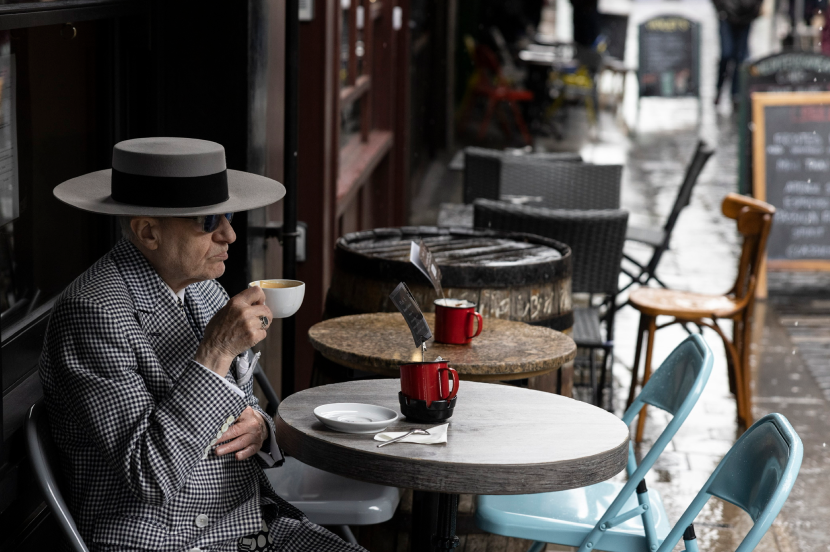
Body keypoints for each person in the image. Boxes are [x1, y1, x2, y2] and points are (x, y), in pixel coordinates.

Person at [40, 137, 365, 552]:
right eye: (208, 222)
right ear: (148, 232)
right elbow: (150, 474)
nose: (230, 234)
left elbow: (240, 410)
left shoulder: (204, 290)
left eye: (228, 214)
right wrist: (215, 353)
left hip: (250, 523)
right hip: (171, 541)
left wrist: (262, 429)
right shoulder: (91, 314)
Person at [713, 0, 763, 105]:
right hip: (727, 15)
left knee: (739, 57)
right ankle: (719, 88)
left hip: (746, 17)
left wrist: (754, 11)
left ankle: (735, 94)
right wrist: (721, 10)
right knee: (726, 54)